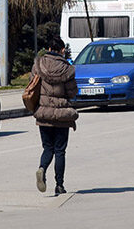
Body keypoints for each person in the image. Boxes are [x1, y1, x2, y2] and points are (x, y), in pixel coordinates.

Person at [33, 35, 79, 196]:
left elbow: (33, 85)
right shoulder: (67, 69)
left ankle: (42, 168)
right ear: (62, 50)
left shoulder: (38, 64)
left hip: (44, 113)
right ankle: (59, 185)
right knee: (60, 150)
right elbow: (72, 92)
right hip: (61, 114)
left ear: (48, 49)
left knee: (48, 148)